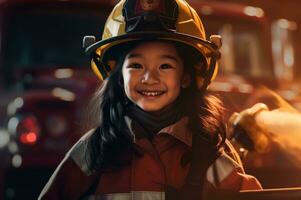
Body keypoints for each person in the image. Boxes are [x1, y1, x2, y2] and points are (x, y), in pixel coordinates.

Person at [39, 0, 262, 199]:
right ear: (117, 77)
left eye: (165, 66)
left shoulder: (211, 152)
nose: (149, 78)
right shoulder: (93, 150)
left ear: (186, 77)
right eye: (136, 65)